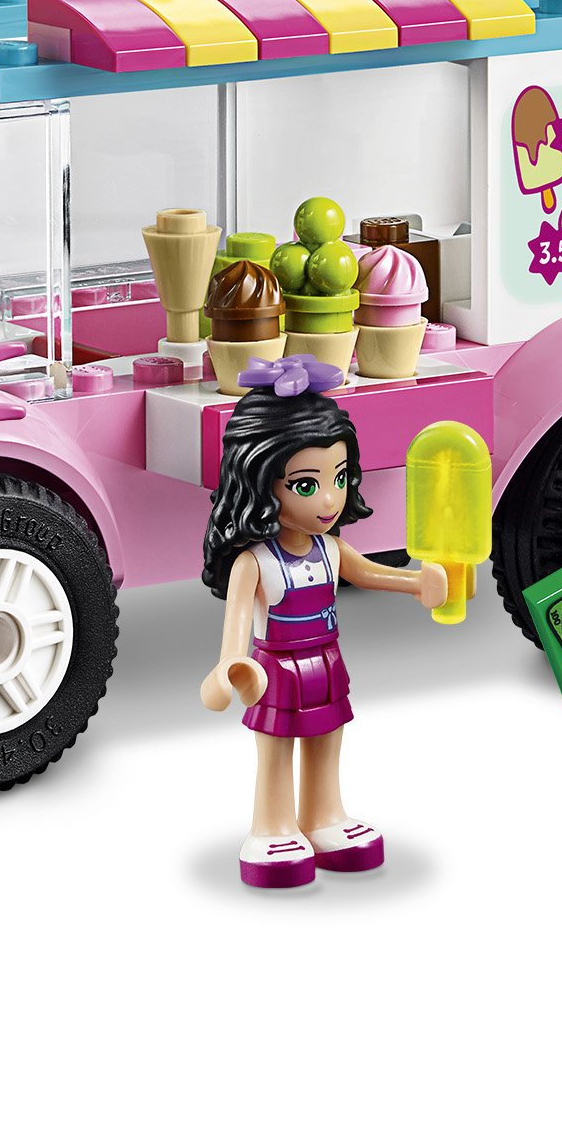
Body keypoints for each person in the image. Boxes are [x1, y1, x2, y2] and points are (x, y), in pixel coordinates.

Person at [197, 355, 449, 887]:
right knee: (276, 750)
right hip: (276, 669)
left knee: (328, 739)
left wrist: (417, 583)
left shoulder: (330, 548)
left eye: (339, 477)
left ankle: (324, 816)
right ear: (259, 482)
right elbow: (235, 631)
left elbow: (371, 573)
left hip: (327, 661)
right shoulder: (255, 563)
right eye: (306, 485)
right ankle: (271, 826)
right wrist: (229, 668)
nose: (331, 499)